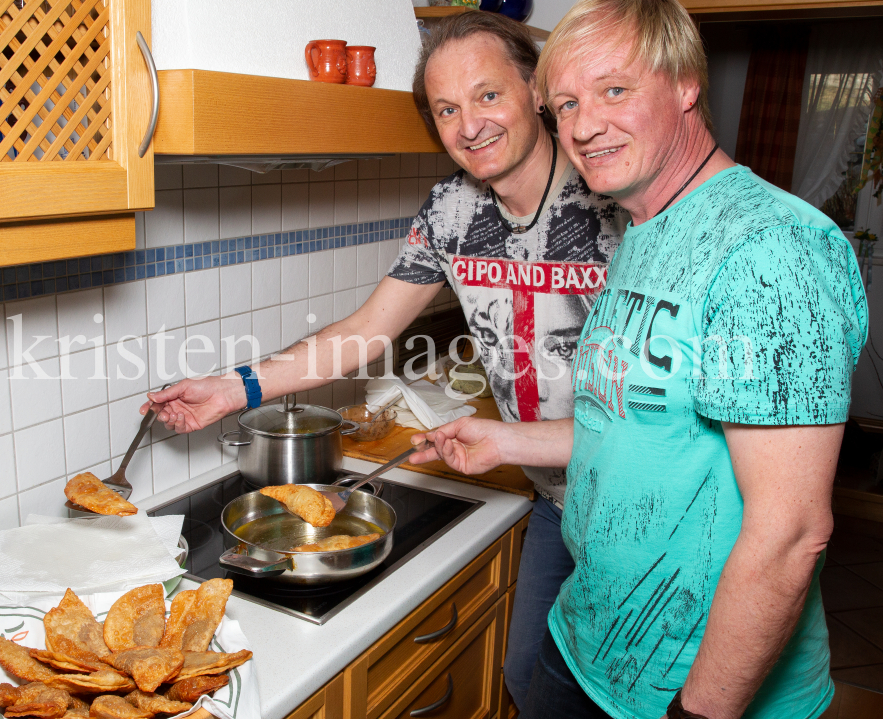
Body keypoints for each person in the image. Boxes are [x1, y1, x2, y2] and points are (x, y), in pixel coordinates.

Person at [143, 12, 627, 710]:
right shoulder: (451, 210)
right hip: (558, 499)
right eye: (447, 110)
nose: (471, 125)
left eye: (488, 96)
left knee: (638, 693)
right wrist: (232, 388)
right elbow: (367, 329)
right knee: (532, 680)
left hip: (647, 490)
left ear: (537, 91)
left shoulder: (614, 194)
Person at [409, 1, 869, 718]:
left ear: (685, 83)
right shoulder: (643, 225)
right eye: (567, 103)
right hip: (588, 638)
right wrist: (504, 438)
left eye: (614, 90)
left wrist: (700, 711)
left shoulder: (770, 250)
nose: (585, 124)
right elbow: (631, 425)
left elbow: (791, 532)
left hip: (693, 683)